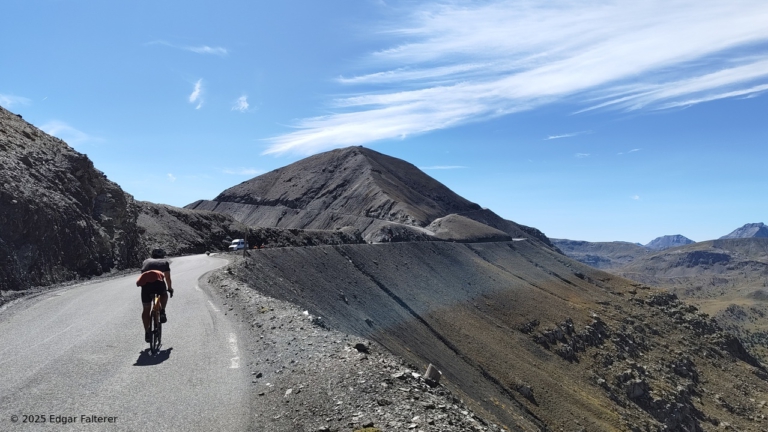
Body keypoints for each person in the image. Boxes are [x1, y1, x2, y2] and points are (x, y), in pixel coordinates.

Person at [138, 248, 174, 343]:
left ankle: (147, 332)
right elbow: (167, 278)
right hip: (158, 284)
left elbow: (144, 274)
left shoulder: (146, 261)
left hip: (145, 286)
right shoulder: (164, 262)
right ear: (162, 255)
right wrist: (170, 288)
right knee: (164, 294)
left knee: (146, 309)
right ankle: (162, 311)